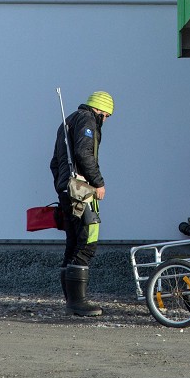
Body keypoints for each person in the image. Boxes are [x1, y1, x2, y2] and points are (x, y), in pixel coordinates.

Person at [50, 90, 114, 317]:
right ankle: (78, 302)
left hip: (66, 190)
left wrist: (62, 187)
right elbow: (83, 153)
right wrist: (98, 183)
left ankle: (72, 301)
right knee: (89, 238)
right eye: (106, 116)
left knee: (73, 242)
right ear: (100, 110)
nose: (105, 120)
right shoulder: (87, 120)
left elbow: (54, 164)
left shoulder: (67, 122)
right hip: (81, 190)